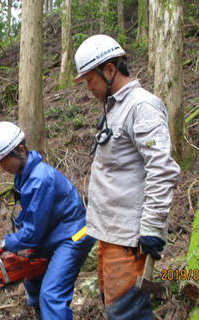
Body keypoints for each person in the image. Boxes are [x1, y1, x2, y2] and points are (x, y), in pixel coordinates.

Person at [73, 34, 181, 319]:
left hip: (129, 241)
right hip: (109, 235)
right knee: (116, 311)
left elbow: (161, 169)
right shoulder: (114, 109)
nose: (88, 88)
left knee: (126, 314)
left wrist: (153, 228)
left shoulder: (141, 106)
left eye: (89, 80)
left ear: (109, 70)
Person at [0, 121, 96, 320]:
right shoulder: (23, 177)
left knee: (51, 294)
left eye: (3, 160)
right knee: (32, 277)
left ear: (20, 150)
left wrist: (2, 245)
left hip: (73, 236)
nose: (1, 167)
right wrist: (32, 250)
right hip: (53, 234)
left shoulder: (40, 179)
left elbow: (33, 231)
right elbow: (32, 218)